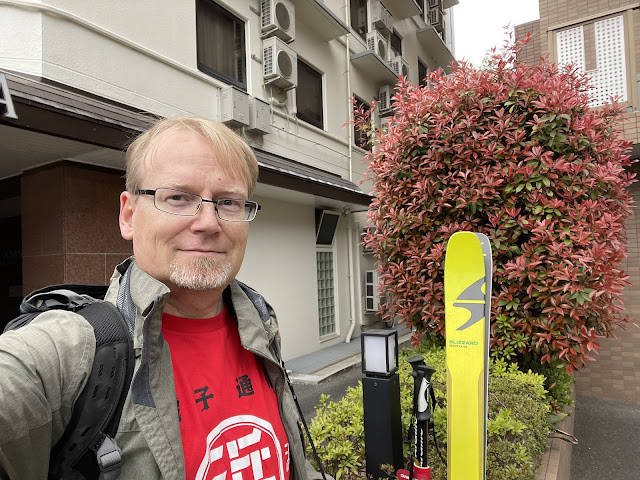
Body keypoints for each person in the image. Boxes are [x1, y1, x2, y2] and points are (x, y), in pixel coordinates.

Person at [0, 116, 327, 480]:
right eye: (178, 197)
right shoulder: (70, 353)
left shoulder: (260, 322)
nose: (209, 222)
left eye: (229, 202)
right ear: (129, 216)